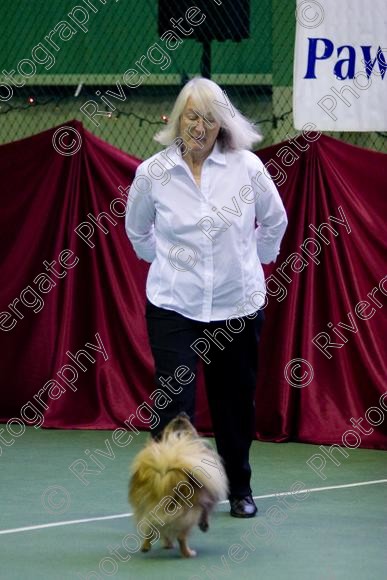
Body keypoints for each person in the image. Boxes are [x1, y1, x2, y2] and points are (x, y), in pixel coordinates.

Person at [125, 77, 288, 518]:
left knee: (234, 401)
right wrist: (166, 263)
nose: (199, 126)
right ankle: (175, 497)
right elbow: (137, 231)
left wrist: (252, 262)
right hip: (174, 306)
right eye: (191, 116)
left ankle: (239, 488)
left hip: (237, 306)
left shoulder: (247, 168)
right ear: (178, 120)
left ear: (223, 125)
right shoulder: (152, 174)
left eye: (209, 119)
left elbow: (275, 221)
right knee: (174, 405)